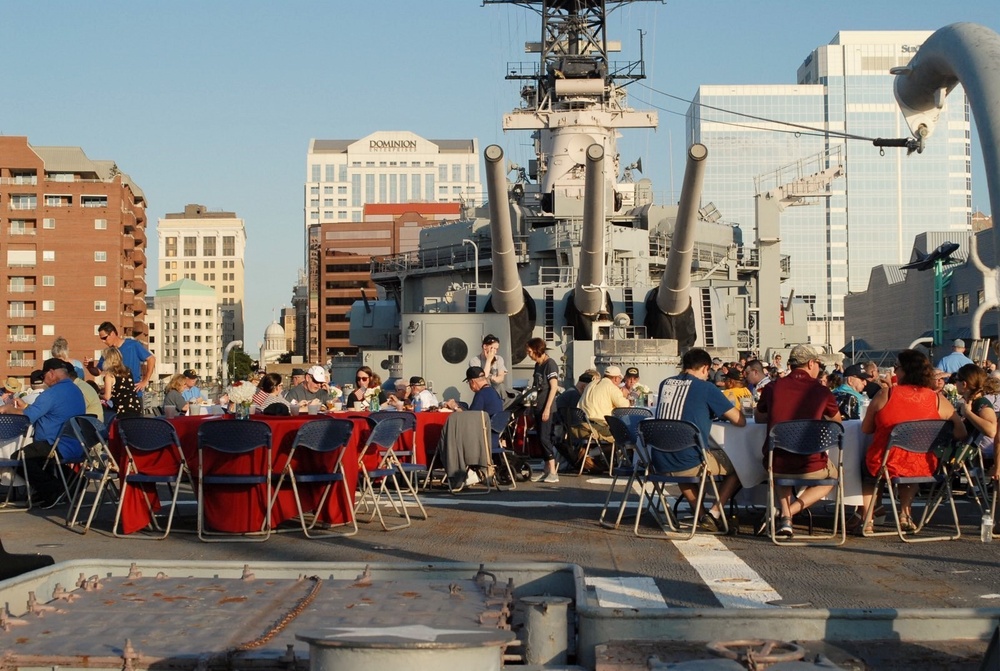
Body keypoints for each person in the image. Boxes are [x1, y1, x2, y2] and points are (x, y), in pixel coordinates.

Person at [856, 349, 966, 535]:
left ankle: (867, 518)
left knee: (868, 471)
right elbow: (960, 432)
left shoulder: (886, 394)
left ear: (904, 371)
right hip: (924, 464)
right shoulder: (937, 398)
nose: (894, 371)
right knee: (910, 463)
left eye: (896, 367)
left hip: (885, 463)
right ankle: (905, 514)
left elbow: (866, 429)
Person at [754, 343, 843, 538]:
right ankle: (788, 513)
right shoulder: (821, 391)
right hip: (811, 464)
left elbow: (759, 417)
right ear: (811, 363)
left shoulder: (772, 387)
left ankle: (785, 515)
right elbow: (837, 423)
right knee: (831, 479)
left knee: (779, 464)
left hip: (777, 462)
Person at [654, 347, 746, 530]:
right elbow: (739, 420)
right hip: (689, 461)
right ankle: (715, 512)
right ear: (705, 368)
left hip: (660, 459)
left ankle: (700, 513)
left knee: (684, 458)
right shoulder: (706, 388)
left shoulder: (665, 383)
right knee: (740, 465)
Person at [0, 358, 86, 509]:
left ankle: (53, 490)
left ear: (51, 373)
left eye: (44, 376)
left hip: (55, 444)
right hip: (77, 444)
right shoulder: (76, 391)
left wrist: (8, 409)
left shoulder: (52, 393)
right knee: (37, 457)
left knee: (20, 457)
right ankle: (73, 480)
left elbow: (28, 416)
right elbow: (49, 411)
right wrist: (26, 406)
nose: (44, 381)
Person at [84, 322, 155, 395]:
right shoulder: (108, 352)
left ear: (112, 333)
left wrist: (145, 381)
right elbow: (98, 371)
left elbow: (151, 359)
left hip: (134, 393)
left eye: (104, 338)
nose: (103, 341)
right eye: (101, 339)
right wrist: (89, 367)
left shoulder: (132, 345)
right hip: (116, 395)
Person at [526, 337, 560, 483]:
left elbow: (553, 387)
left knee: (544, 438)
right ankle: (546, 469)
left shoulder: (550, 364)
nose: (528, 354)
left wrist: (547, 408)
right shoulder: (537, 365)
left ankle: (553, 470)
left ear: (536, 350)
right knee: (540, 437)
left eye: (529, 351)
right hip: (538, 406)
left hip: (546, 406)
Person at [954, 363, 999, 465]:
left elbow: (991, 430)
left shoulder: (980, 402)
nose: (955, 383)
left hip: (961, 453)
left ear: (964, 384)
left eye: (956, 379)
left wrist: (968, 413)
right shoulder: (971, 401)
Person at [577, 365, 630, 441]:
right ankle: (592, 453)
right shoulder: (611, 387)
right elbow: (625, 407)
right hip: (597, 427)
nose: (619, 382)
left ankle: (588, 451)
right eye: (620, 379)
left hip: (581, 425)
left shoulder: (591, 384)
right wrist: (624, 396)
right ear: (615, 378)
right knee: (624, 435)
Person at [101, 346, 143, 419]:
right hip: (135, 406)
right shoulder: (128, 371)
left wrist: (100, 395)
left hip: (122, 409)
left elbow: (107, 397)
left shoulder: (110, 375)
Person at [469, 334, 509, 399]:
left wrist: (492, 378)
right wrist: (488, 361)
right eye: (493, 348)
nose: (495, 352)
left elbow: (501, 378)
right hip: (483, 393)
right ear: (485, 346)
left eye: (497, 349)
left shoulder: (499, 359)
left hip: (499, 392)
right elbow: (483, 379)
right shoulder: (474, 361)